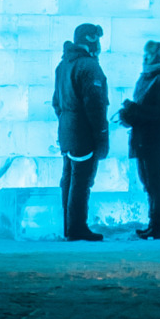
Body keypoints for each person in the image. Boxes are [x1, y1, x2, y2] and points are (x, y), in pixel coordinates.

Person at [51, 23, 108, 241]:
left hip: (67, 130)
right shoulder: (88, 66)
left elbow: (57, 103)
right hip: (83, 132)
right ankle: (77, 228)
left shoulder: (63, 65)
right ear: (91, 40)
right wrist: (100, 134)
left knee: (69, 177)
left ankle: (69, 226)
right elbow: (95, 105)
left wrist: (67, 121)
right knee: (81, 181)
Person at [117, 39, 160, 239]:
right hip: (144, 139)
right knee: (149, 183)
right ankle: (154, 224)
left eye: (149, 53)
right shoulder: (147, 78)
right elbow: (144, 110)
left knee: (157, 183)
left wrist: (133, 110)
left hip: (156, 140)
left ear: (159, 56)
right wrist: (129, 115)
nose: (145, 57)